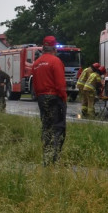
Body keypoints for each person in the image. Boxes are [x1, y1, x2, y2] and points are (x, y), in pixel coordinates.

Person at [31, 35, 68, 165]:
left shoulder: (36, 63)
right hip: (54, 97)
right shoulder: (55, 61)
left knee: (46, 127)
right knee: (58, 128)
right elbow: (60, 84)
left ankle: (46, 156)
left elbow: (35, 85)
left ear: (43, 48)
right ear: (54, 48)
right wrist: (64, 98)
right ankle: (55, 159)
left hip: (41, 98)